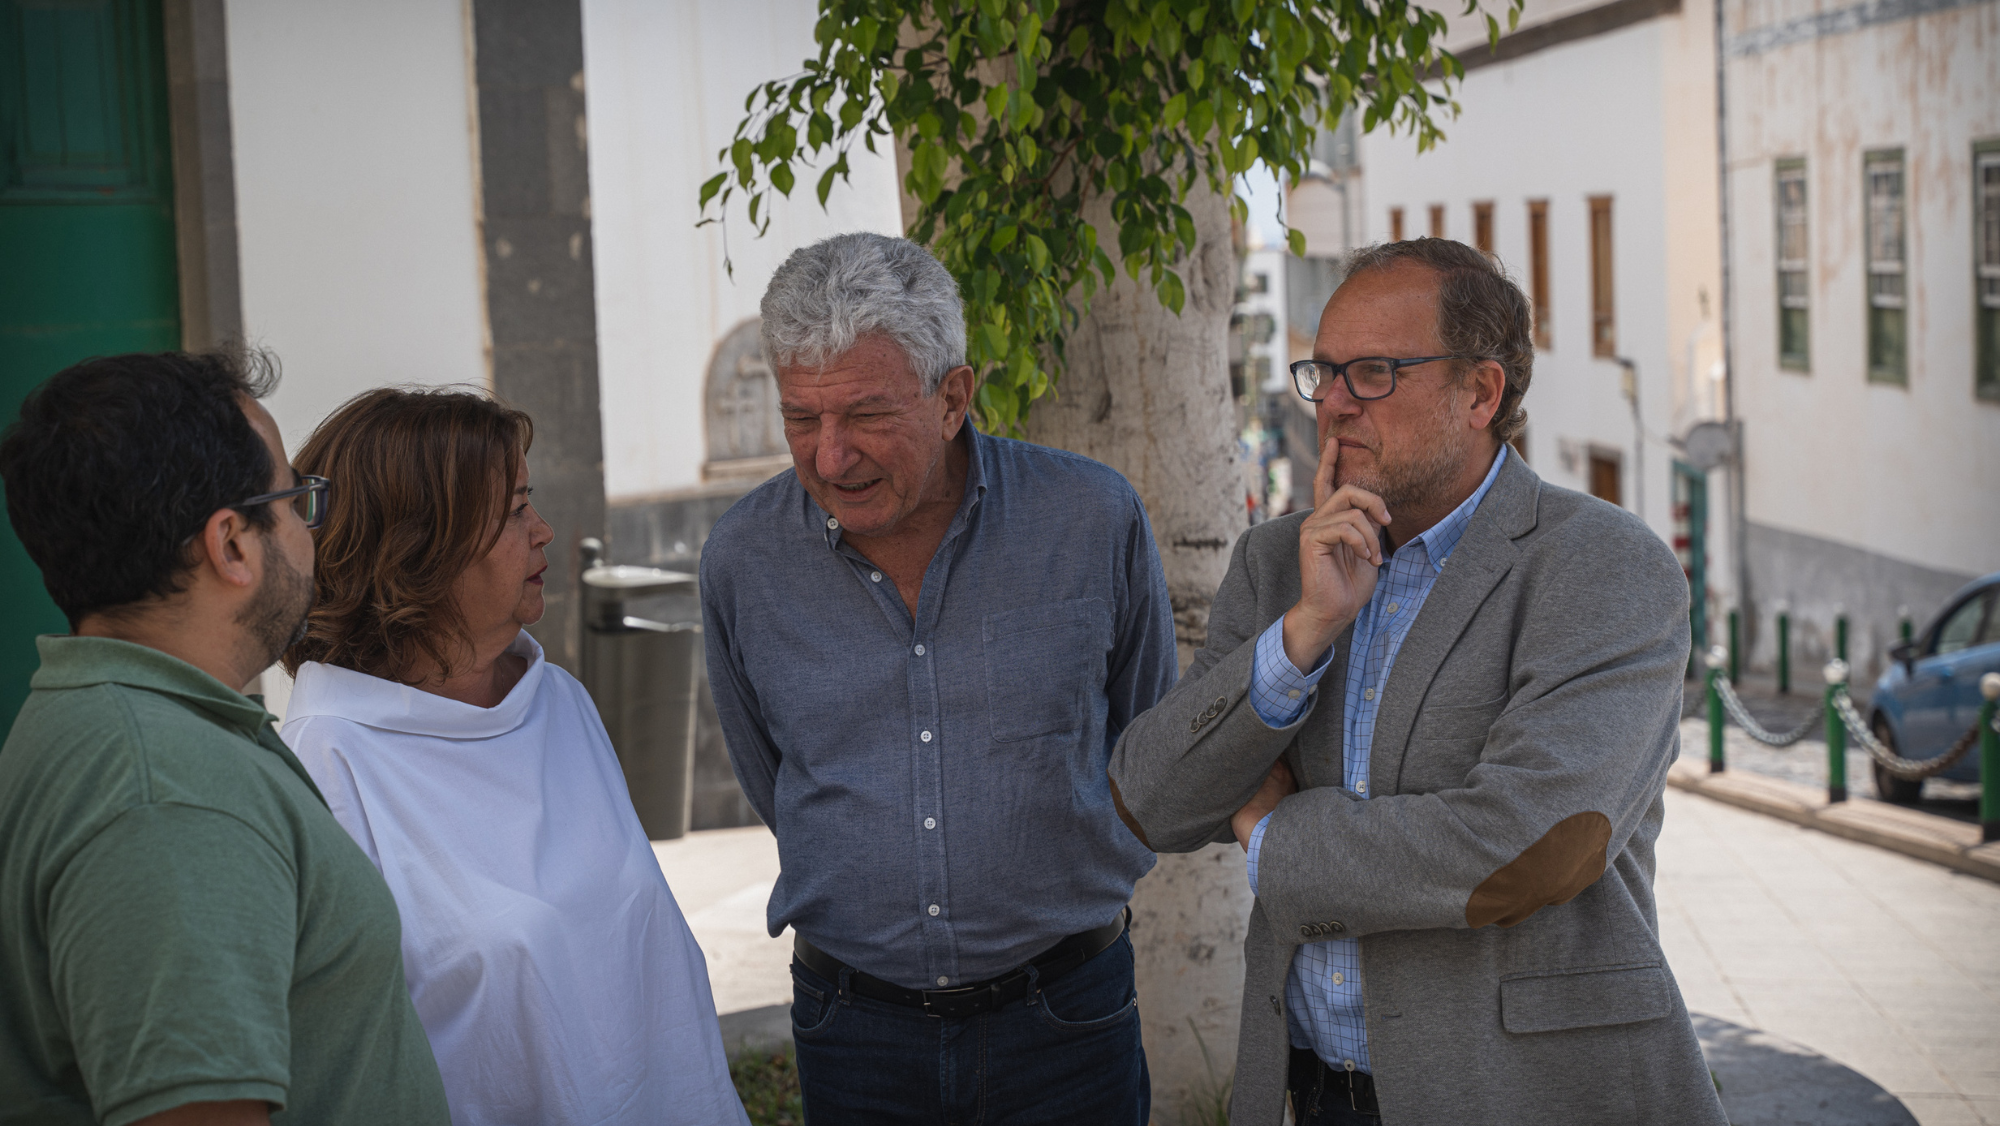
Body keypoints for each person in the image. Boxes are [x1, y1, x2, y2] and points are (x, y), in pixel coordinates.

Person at [1107, 239, 1728, 1126]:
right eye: (1323, 372)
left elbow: (1531, 847)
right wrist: (1304, 633)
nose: (1334, 403)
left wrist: (1274, 835)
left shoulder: (1602, 565)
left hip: (1527, 1097)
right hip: (1307, 1092)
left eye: (1373, 373)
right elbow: (1150, 801)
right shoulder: (1278, 562)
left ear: (1481, 393)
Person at [700, 232, 1175, 1125]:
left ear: (954, 397)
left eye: (866, 415)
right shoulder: (742, 560)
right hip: (854, 1032)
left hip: (1068, 1019)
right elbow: (773, 779)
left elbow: (1144, 738)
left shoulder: (1090, 518)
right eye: (801, 419)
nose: (829, 457)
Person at [0, 351, 450, 1126]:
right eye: (296, 500)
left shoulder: (128, 730)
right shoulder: (167, 794)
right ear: (232, 544)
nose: (310, 532)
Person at [276, 388, 746, 1126]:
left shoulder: (557, 701)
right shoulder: (326, 765)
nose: (544, 530)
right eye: (515, 510)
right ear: (416, 551)